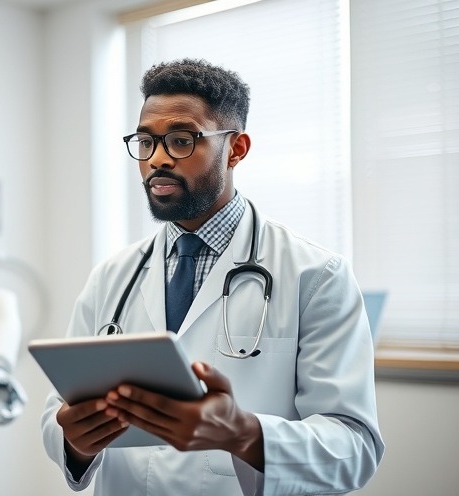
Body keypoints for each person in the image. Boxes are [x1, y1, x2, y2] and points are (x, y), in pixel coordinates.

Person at [41, 58, 385, 495]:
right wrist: (74, 440)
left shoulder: (317, 276)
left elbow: (354, 447)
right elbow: (59, 409)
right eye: (145, 141)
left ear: (236, 149)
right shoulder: (111, 277)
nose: (157, 159)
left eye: (181, 140)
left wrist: (243, 434)